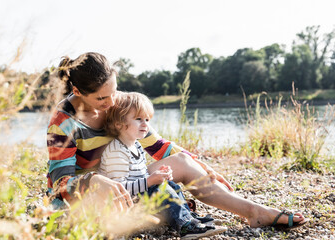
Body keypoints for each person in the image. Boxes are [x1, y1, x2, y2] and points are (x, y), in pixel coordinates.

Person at [46, 52, 308, 231]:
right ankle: (156, 216)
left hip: (125, 182)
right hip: (89, 195)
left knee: (182, 161)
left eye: (114, 92)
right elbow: (60, 186)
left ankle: (253, 212)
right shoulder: (63, 123)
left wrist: (199, 164)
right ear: (78, 92)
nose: (112, 103)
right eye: (102, 99)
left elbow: (156, 145)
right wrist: (94, 180)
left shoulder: (118, 101)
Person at [97, 91, 227, 238]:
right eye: (139, 119)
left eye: (147, 119)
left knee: (170, 186)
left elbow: (141, 175)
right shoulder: (116, 151)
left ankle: (189, 218)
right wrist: (151, 181)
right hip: (126, 204)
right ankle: (185, 227)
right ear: (119, 123)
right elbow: (119, 190)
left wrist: (158, 177)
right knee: (159, 188)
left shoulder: (136, 146)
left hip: (139, 196)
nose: (145, 124)